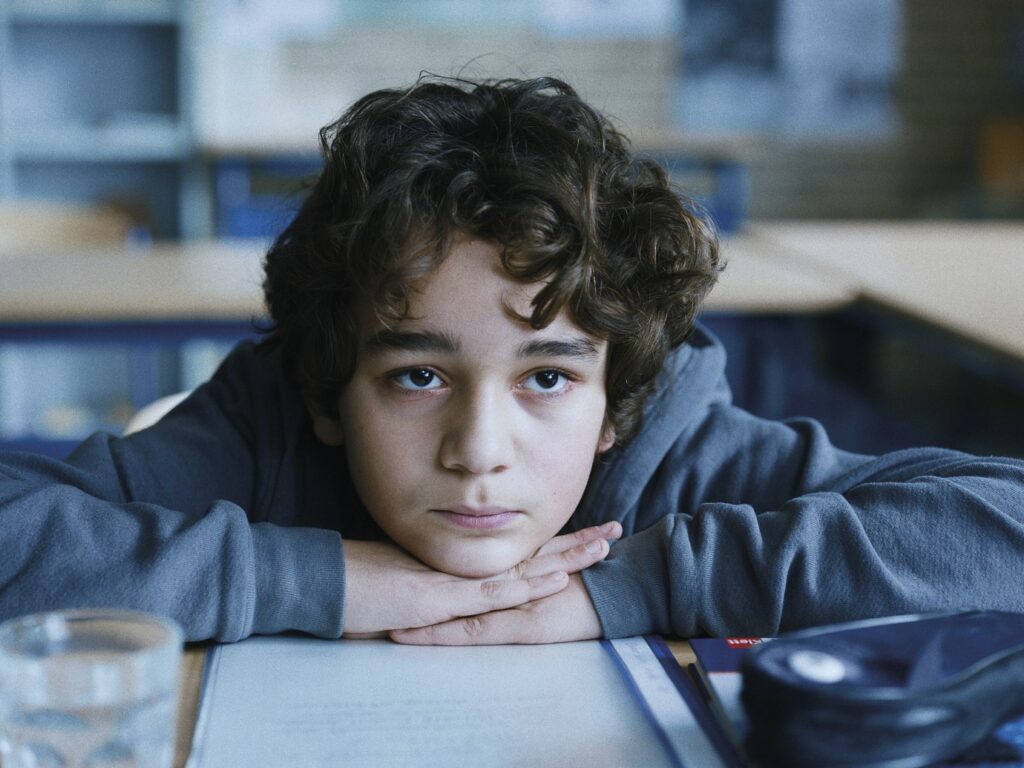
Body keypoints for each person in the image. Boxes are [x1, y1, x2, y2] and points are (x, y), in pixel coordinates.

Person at [2, 77, 1023, 645]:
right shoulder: (262, 428)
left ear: (617, 402)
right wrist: (311, 580)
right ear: (326, 390)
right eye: (418, 375)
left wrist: (631, 589)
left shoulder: (672, 457)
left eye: (546, 377)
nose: (478, 452)